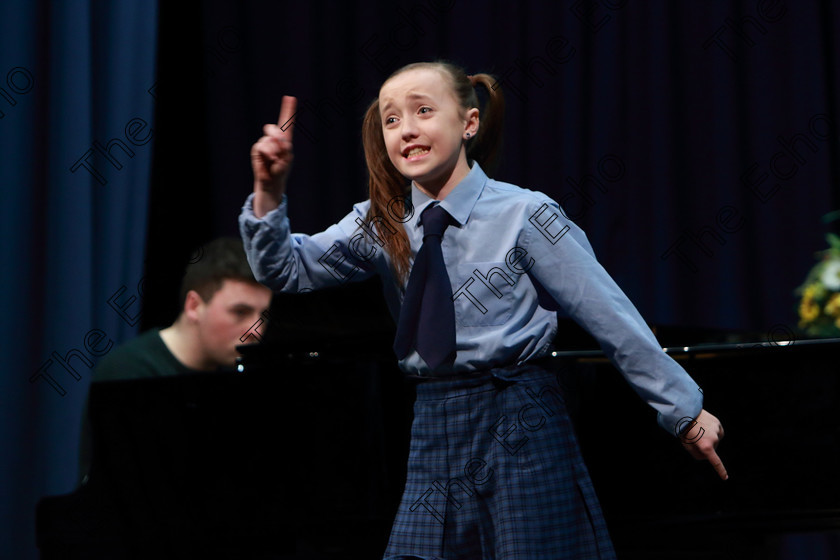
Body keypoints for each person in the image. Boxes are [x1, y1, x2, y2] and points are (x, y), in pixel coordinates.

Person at [239, 61, 726, 559]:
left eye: (423, 111)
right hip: (435, 422)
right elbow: (284, 270)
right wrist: (269, 192)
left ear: (468, 122)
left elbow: (609, 315)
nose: (406, 129)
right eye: (390, 120)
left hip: (519, 420)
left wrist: (682, 410)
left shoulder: (525, 214)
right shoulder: (381, 222)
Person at [77, 237, 273, 484]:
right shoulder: (130, 371)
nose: (256, 329)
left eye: (262, 316)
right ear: (194, 306)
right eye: (240, 312)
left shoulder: (235, 375)